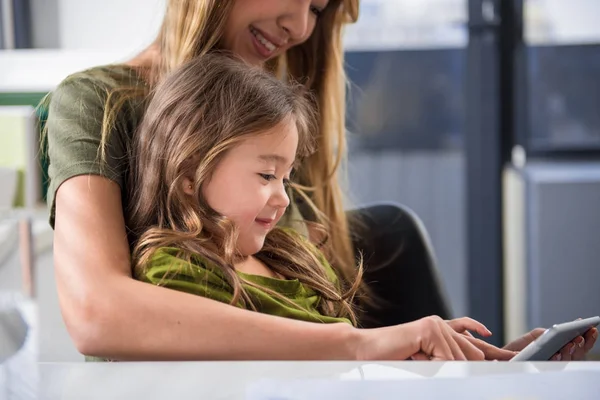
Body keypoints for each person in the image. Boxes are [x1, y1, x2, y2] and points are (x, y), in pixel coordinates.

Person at [43, 0, 597, 361]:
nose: (303, 27)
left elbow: (323, 315)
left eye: (319, 7)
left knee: (389, 230)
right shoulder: (98, 102)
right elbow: (98, 314)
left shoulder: (271, 122)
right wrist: (356, 345)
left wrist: (481, 366)